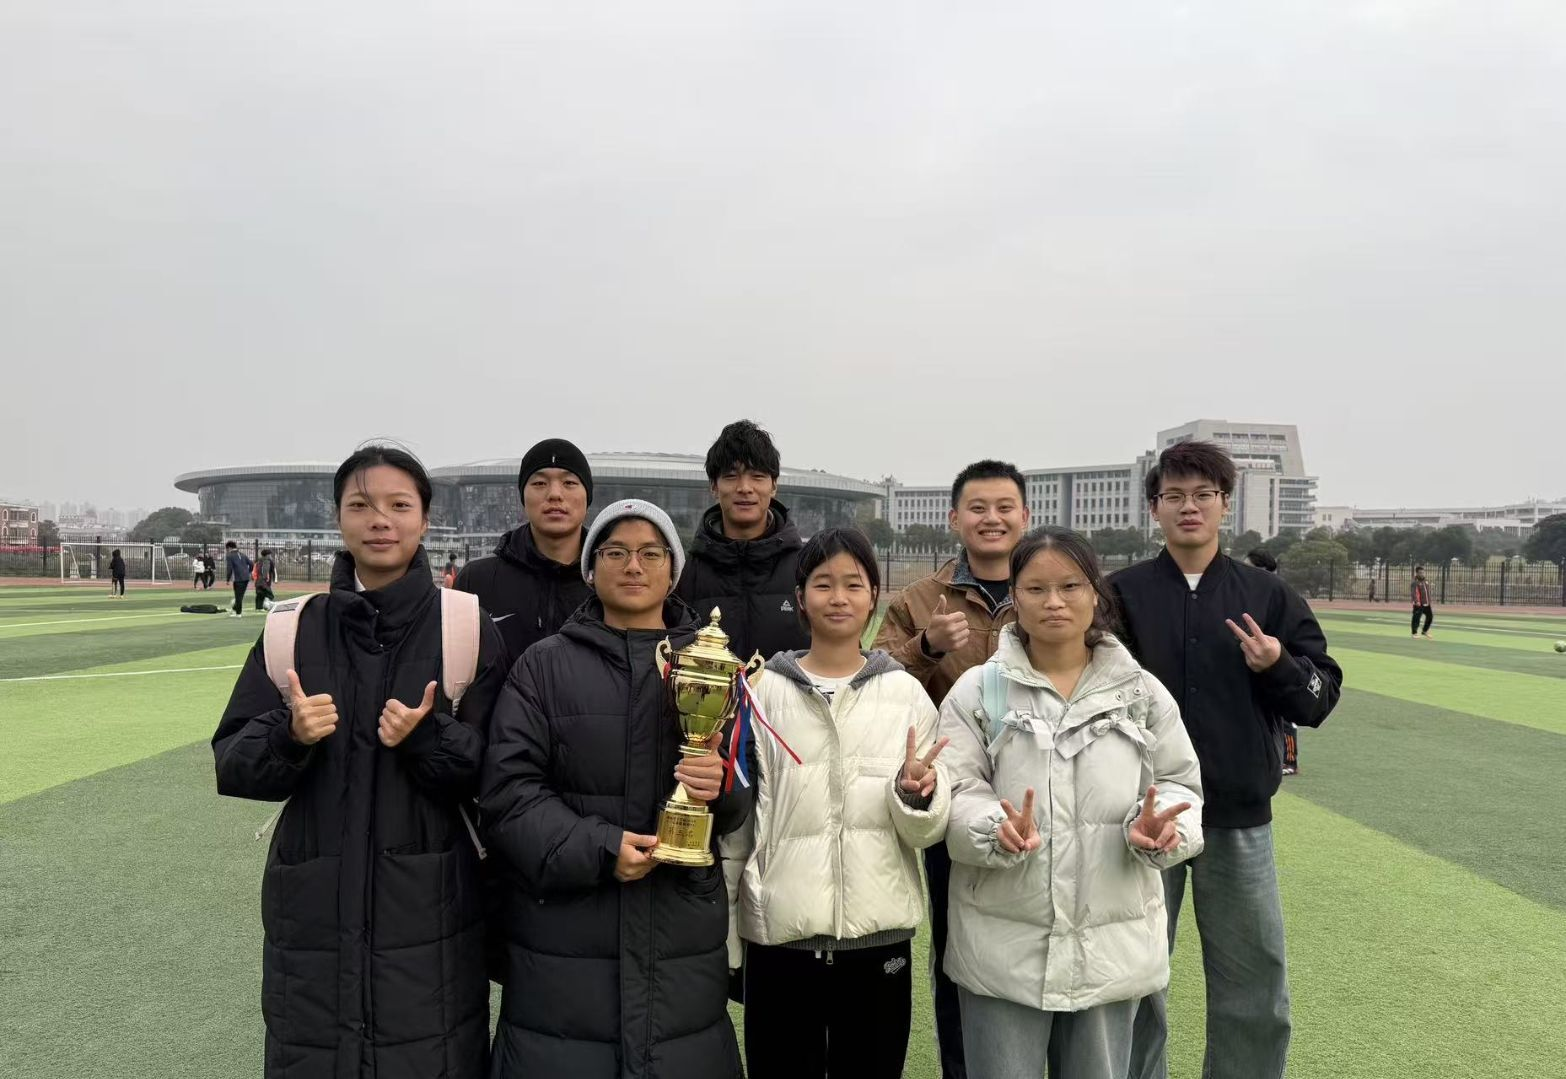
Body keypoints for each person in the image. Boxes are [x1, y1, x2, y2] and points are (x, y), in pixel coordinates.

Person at [211, 444, 506, 1079]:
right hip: (312, 914)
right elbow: (231, 762)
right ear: (338, 518)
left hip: (432, 909)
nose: (380, 521)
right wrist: (289, 735)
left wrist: (429, 739)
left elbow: (501, 773)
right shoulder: (292, 629)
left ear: (425, 519)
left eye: (399, 505)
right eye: (361, 505)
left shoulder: (466, 627)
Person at [481, 499, 748, 1079]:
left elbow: (742, 795)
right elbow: (509, 794)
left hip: (680, 929)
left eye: (651, 553)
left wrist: (720, 784)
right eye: (615, 552)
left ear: (672, 571)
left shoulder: (713, 666)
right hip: (566, 933)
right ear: (590, 568)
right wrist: (601, 848)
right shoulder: (542, 667)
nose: (633, 566)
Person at [939, 526, 1204, 1079]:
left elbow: (1180, 783)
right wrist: (991, 826)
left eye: (1070, 586)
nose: (1054, 602)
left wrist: (1162, 830)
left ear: (1095, 594)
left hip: (1110, 946)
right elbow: (957, 789)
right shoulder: (979, 690)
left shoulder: (1141, 693)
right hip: (1002, 946)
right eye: (1036, 589)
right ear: (1015, 598)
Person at [1116, 440, 1342, 1079]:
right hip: (1139, 815)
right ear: (1154, 508)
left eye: (1203, 495)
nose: (1189, 507)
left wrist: (1279, 664)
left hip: (1237, 815)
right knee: (1132, 976)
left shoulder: (1268, 595)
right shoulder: (1120, 594)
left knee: (1254, 981)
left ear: (1224, 503)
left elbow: (1320, 696)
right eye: (1174, 496)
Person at [722, 527, 951, 1079]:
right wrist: (730, 936)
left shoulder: (904, 694)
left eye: (853, 584)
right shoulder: (760, 691)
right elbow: (739, 827)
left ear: (874, 596)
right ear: (800, 598)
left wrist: (915, 793)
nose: (839, 597)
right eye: (823, 584)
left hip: (879, 942)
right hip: (781, 941)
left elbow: (927, 831)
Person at [872, 458, 1030, 1079]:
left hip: (1042, 793)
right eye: (978, 508)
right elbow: (875, 682)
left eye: (1004, 507)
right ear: (954, 518)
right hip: (953, 800)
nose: (992, 519)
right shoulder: (919, 600)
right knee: (956, 954)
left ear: (1025, 515)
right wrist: (927, 646)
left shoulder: (1050, 587)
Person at [677, 420, 810, 664]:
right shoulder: (685, 574)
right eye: (731, 476)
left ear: (774, 485)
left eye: (757, 476)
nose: (745, 488)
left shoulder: (807, 570)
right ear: (714, 486)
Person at [456, 438, 594, 666]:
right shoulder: (478, 579)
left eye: (569, 483)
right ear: (523, 497)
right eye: (539, 483)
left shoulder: (610, 579)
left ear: (587, 496)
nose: (555, 494)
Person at [1245, 549, 1296, 775]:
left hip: (1276, 662)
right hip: (1255, 662)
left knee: (1285, 716)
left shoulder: (1278, 594)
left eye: (1248, 566)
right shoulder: (1250, 592)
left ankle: (1290, 761)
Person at [224, 541, 254, 618]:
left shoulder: (230, 556)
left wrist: (227, 579)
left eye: (227, 549)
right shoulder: (242, 554)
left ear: (229, 548)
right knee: (240, 595)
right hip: (246, 578)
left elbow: (229, 568)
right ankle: (235, 609)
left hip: (238, 578)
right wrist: (249, 572)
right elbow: (251, 564)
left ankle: (238, 613)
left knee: (238, 596)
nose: (227, 550)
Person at [1411, 565, 1434, 638]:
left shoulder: (1426, 581)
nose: (1422, 574)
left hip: (1426, 603)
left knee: (1430, 617)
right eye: (1420, 573)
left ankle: (1424, 631)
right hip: (1419, 604)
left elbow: (1427, 591)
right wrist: (1417, 601)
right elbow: (1414, 593)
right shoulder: (1415, 582)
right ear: (1417, 573)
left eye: (1423, 572)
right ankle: (1414, 633)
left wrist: (1429, 600)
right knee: (1416, 618)